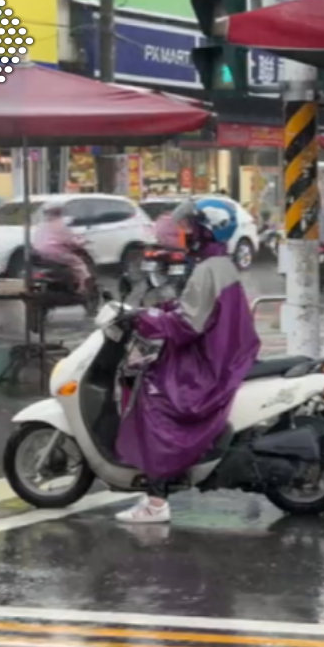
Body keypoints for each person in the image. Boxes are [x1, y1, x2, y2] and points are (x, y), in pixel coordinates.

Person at [114, 200, 260, 524]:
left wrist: (146, 317)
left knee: (154, 400)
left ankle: (156, 501)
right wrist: (165, 308)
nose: (185, 232)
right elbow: (196, 311)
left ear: (206, 231)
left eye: (191, 226)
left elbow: (188, 325)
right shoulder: (218, 264)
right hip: (218, 354)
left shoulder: (209, 269)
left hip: (208, 363)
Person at [34, 207, 91, 290]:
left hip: (39, 252)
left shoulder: (42, 225)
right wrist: (82, 242)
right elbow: (70, 241)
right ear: (60, 214)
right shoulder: (60, 225)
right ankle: (83, 288)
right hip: (55, 252)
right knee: (78, 264)